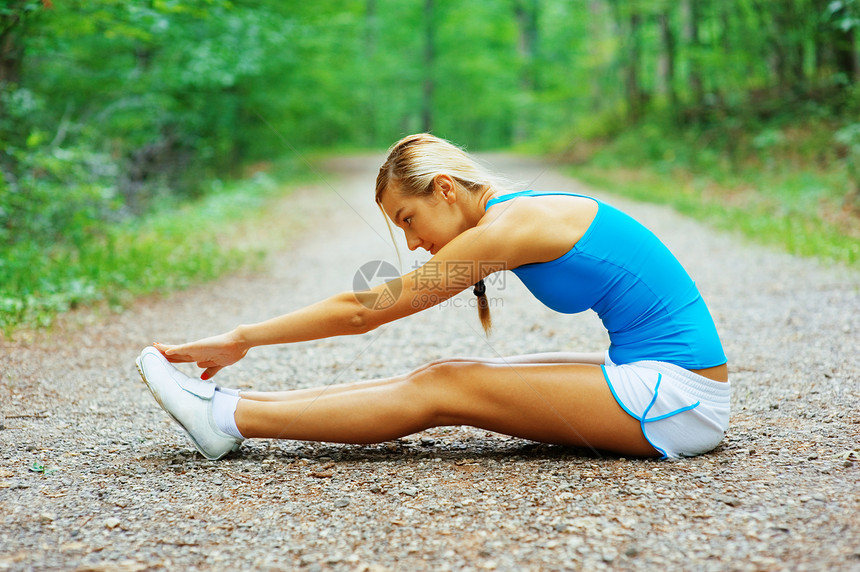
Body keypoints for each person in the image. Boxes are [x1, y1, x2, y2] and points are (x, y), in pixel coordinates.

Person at [135, 133, 730, 461]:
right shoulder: (516, 216)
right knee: (461, 372)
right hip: (654, 376)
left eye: (410, 219)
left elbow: (362, 313)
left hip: (677, 400)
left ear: (445, 189)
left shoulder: (509, 229)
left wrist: (240, 337)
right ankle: (237, 403)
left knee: (446, 386)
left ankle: (227, 418)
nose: (415, 242)